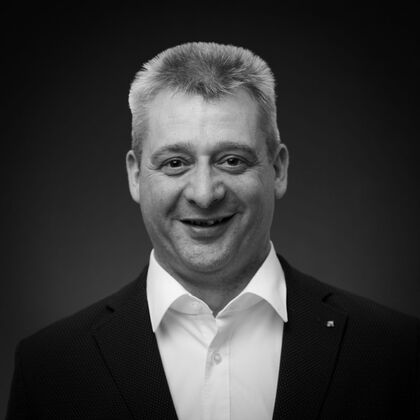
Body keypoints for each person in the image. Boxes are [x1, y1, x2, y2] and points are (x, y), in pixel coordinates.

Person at [6, 42, 419, 419]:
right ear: (135, 175)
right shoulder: (50, 368)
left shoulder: (397, 352)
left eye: (232, 160)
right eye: (175, 163)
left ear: (278, 169)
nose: (204, 194)